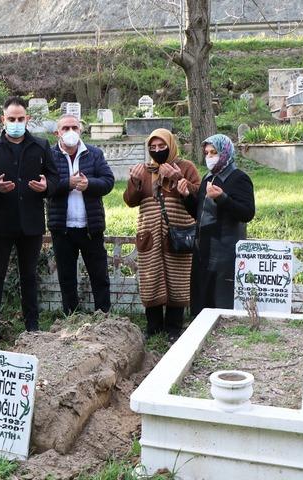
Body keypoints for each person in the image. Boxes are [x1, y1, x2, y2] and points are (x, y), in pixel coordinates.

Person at [0, 96, 59, 343]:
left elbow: (54, 178)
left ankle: (32, 325)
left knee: (29, 275)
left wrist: (46, 186)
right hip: (1, 223)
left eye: (20, 119)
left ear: (28, 119)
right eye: (11, 119)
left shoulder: (40, 146)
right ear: (2, 120)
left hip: (32, 223)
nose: (16, 123)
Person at [124, 128, 200, 340]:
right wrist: (135, 181)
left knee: (178, 280)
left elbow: (198, 196)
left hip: (177, 235)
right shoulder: (146, 170)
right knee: (151, 280)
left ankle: (174, 328)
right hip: (149, 236)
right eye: (153, 147)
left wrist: (177, 178)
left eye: (162, 146)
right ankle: (154, 328)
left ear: (171, 145)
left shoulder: (186, 167)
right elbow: (130, 200)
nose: (157, 150)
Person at [178, 133, 255, 317]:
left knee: (220, 299)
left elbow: (247, 213)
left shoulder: (239, 178)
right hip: (203, 248)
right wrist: (187, 196)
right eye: (207, 153)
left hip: (225, 250)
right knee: (200, 296)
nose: (210, 157)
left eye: (214, 152)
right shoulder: (208, 178)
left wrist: (222, 198)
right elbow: (199, 214)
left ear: (226, 152)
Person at [47, 115, 115, 315]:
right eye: (65, 128)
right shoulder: (49, 155)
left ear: (80, 130)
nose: (70, 132)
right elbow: (44, 187)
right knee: (67, 277)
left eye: (74, 127)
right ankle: (71, 317)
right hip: (62, 227)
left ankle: (103, 316)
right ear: (57, 133)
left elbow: (108, 181)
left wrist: (89, 184)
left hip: (90, 227)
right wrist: (67, 184)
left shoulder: (94, 154)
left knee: (99, 275)